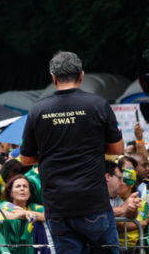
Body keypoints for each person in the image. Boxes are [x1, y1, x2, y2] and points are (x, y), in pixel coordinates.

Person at [20, 51, 123, 253]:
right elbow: (117, 149)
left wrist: (51, 153)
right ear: (82, 76)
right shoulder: (97, 104)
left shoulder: (38, 110)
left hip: (58, 206)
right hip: (93, 202)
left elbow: (25, 159)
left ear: (53, 77)